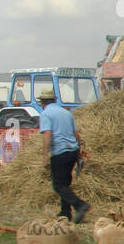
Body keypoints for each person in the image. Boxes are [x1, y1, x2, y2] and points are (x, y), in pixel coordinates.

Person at [38, 89, 89, 223]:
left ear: (42, 103)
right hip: (72, 151)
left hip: (60, 152)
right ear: (54, 100)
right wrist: (79, 153)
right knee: (65, 183)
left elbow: (48, 134)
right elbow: (76, 134)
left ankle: (79, 205)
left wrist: (45, 155)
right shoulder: (66, 113)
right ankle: (65, 213)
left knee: (59, 185)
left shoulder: (46, 114)